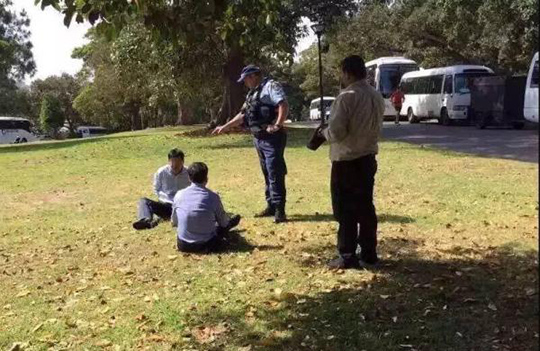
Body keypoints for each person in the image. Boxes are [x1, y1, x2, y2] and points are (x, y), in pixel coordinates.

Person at [319, 55, 385, 269]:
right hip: (368, 158)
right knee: (365, 207)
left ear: (347, 72)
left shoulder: (347, 96)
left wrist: (323, 133)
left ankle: (347, 253)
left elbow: (337, 131)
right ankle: (369, 252)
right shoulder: (376, 95)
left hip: (347, 160)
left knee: (345, 208)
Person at [212, 64, 289, 223]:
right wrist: (225, 127)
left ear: (253, 76)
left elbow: (283, 104)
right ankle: (271, 206)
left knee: (275, 172)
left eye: (246, 79)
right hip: (258, 138)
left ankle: (280, 210)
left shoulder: (270, 87)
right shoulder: (252, 93)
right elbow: (242, 115)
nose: (245, 82)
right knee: (267, 172)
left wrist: (278, 125)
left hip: (272, 138)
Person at [172, 162, 241, 253]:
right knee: (224, 225)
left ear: (189, 178)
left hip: (183, 245)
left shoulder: (179, 194)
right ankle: (231, 223)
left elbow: (174, 221)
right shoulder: (212, 197)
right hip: (207, 244)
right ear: (206, 178)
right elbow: (223, 223)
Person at [132, 149, 190, 230]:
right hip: (167, 204)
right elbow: (156, 189)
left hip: (182, 207)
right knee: (144, 201)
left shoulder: (189, 173)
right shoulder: (161, 172)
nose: (174, 165)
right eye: (172, 162)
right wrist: (165, 199)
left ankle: (157, 220)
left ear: (182, 162)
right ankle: (145, 220)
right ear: (168, 161)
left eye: (177, 162)